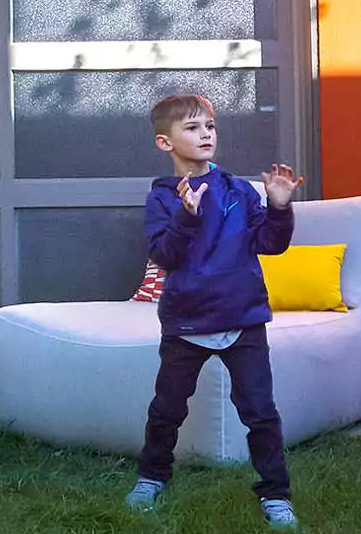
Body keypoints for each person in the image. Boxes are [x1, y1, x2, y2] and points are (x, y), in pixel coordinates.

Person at [126, 93, 303, 528]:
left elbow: (271, 244)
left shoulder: (240, 191)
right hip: (186, 322)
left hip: (243, 320)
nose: (205, 134)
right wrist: (187, 216)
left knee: (260, 412)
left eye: (210, 126)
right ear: (165, 143)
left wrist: (279, 206)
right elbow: (166, 255)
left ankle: (275, 495)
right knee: (167, 409)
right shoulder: (162, 199)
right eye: (192, 127)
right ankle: (152, 476)